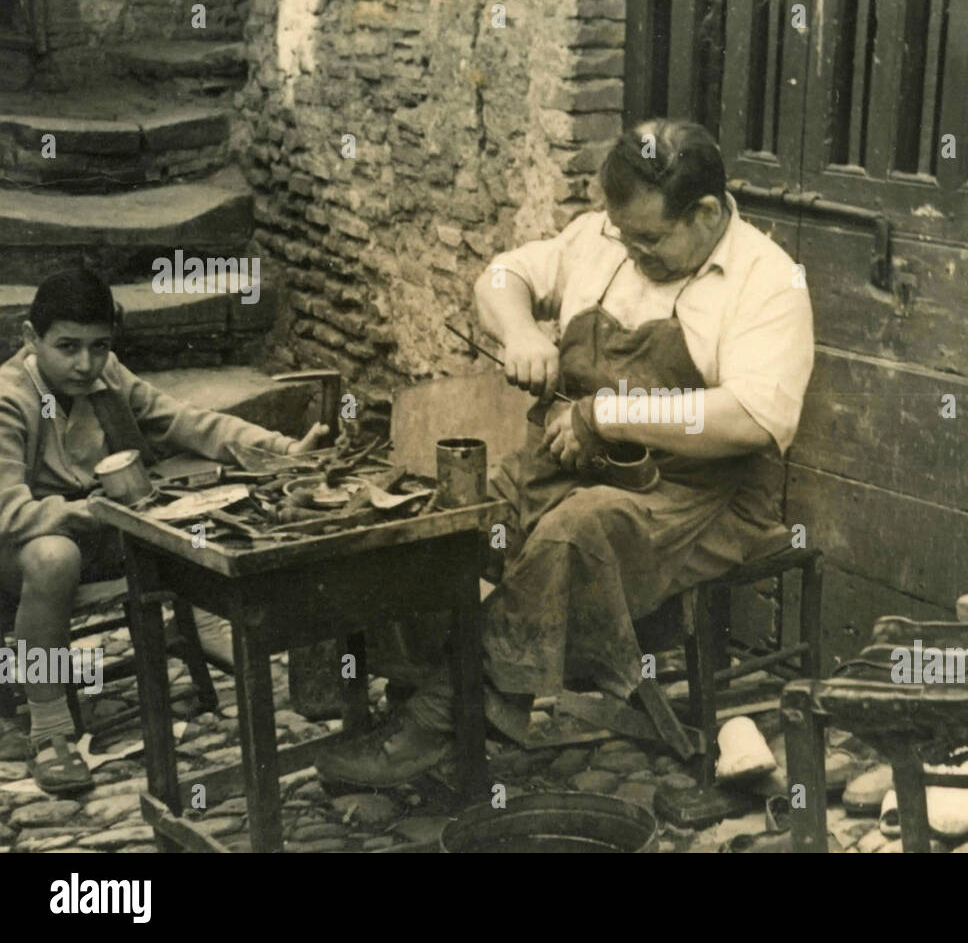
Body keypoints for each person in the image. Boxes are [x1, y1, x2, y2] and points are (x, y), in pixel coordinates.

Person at [316, 119, 814, 787]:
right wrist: (521, 331)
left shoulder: (767, 281)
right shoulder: (601, 238)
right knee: (446, 521)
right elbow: (501, 276)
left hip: (698, 497)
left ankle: (441, 724)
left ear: (706, 212)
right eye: (625, 235)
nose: (634, 254)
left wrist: (606, 415)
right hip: (567, 467)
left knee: (573, 538)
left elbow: (750, 419)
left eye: (651, 239)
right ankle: (413, 692)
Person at [0, 268, 329, 794]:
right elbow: (6, 511)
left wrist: (281, 449)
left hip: (95, 527)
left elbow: (186, 421)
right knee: (54, 557)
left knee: (194, 500)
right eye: (66, 347)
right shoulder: (10, 397)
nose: (84, 364)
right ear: (29, 338)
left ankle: (212, 628)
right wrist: (82, 511)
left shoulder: (106, 377)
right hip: (22, 545)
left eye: (99, 346)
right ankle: (50, 729)